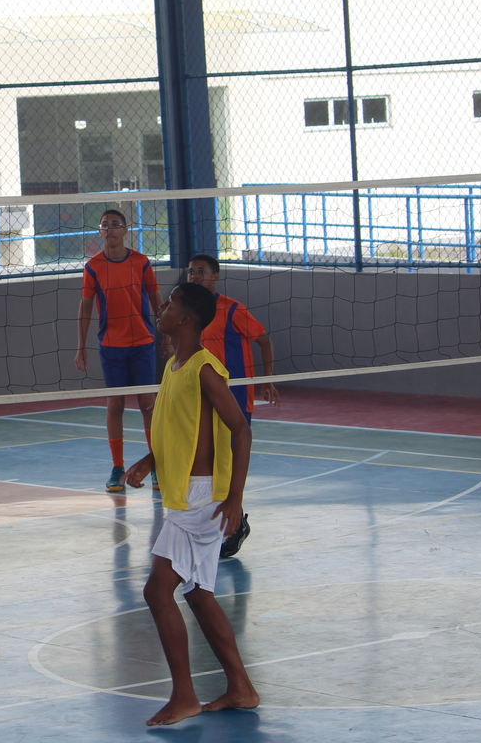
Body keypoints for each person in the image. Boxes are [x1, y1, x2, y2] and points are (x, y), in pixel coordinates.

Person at [123, 282, 260, 726]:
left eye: (170, 303)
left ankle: (184, 696)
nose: (162, 307)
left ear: (184, 318)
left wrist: (235, 497)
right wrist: (149, 460)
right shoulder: (173, 366)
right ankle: (241, 688)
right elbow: (178, 429)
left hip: (203, 500)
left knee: (157, 591)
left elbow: (241, 430)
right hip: (186, 495)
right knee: (198, 594)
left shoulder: (204, 369)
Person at [186, 253, 278, 558]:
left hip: (234, 394)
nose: (194, 276)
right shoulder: (186, 312)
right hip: (201, 396)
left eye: (201, 271)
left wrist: (267, 380)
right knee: (206, 461)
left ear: (216, 276)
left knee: (231, 461)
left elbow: (263, 340)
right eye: (191, 271)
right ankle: (211, 521)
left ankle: (235, 523)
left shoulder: (232, 309)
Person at [74, 208, 163, 493]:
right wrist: (81, 346)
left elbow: (156, 299)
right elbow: (86, 307)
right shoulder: (93, 267)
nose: (109, 229)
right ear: (100, 232)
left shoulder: (141, 262)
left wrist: (169, 337)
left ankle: (157, 464)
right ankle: (117, 467)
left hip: (143, 343)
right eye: (105, 225)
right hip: (112, 346)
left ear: (125, 230)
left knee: (148, 404)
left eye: (115, 224)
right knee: (115, 405)